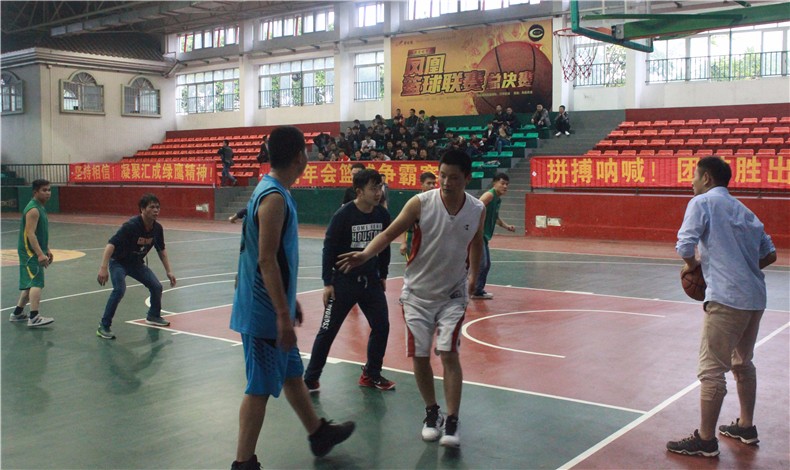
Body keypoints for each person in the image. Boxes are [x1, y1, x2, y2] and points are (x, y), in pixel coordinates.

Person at [337, 149, 485, 448]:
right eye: (442, 175)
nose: (446, 182)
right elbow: (389, 234)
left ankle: (452, 419)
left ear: (467, 178)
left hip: (453, 294)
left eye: (454, 178)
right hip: (417, 294)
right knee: (419, 355)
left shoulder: (476, 209)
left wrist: (473, 275)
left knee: (448, 353)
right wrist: (365, 254)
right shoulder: (420, 203)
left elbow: (477, 242)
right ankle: (432, 412)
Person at [230, 126, 355, 470]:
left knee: (291, 374)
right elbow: (266, 259)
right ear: (300, 156)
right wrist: (282, 315)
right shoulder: (273, 198)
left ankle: (318, 433)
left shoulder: (272, 190)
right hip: (263, 313)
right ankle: (243, 462)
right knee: (258, 388)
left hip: (269, 304)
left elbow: (268, 258)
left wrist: (287, 298)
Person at [666, 156, 776, 458]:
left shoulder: (702, 203)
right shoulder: (746, 211)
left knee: (711, 370)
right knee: (743, 362)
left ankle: (705, 440)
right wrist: (741, 267)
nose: (691, 182)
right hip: (755, 298)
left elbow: (684, 245)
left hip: (726, 298)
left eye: (694, 176)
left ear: (707, 178)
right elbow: (770, 254)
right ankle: (746, 426)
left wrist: (692, 265)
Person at [304, 169, 395, 393]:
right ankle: (310, 378)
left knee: (382, 326)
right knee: (328, 330)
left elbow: (385, 247)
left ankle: (371, 374)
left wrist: (383, 274)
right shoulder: (343, 215)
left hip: (371, 282)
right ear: (359, 191)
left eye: (380, 187)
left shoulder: (382, 215)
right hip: (343, 283)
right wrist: (327, 283)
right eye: (373, 188)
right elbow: (328, 248)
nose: (378, 192)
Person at [96, 194, 177, 339]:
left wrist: (169, 271)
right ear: (142, 209)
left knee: (156, 286)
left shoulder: (157, 229)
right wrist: (103, 268)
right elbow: (111, 245)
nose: (156, 210)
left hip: (136, 264)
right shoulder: (131, 226)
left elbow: (161, 251)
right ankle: (104, 326)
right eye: (152, 207)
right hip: (119, 262)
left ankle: (153, 315)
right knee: (119, 290)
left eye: (158, 207)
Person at [11, 179, 55, 327]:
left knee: (30, 284)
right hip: (30, 252)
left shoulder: (40, 207)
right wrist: (40, 254)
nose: (48, 193)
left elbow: (40, 232)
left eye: (49, 190)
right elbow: (30, 233)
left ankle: (17, 313)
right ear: (35, 192)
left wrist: (46, 249)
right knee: (36, 282)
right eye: (44, 190)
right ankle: (34, 317)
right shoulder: (34, 210)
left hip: (33, 251)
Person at [472, 173, 516, 300]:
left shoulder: (497, 199)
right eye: (502, 183)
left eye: (507, 184)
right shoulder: (489, 195)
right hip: (478, 235)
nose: (505, 186)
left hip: (484, 236)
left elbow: (495, 218)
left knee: (485, 264)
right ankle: (475, 290)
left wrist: (507, 226)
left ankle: (477, 289)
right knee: (483, 264)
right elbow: (475, 209)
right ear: (494, 183)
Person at [399, 172, 437, 259]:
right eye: (429, 183)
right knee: (413, 265)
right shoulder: (415, 202)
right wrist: (403, 242)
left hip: (430, 241)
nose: (432, 186)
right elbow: (403, 224)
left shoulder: (438, 202)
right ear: (422, 185)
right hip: (413, 240)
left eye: (434, 183)